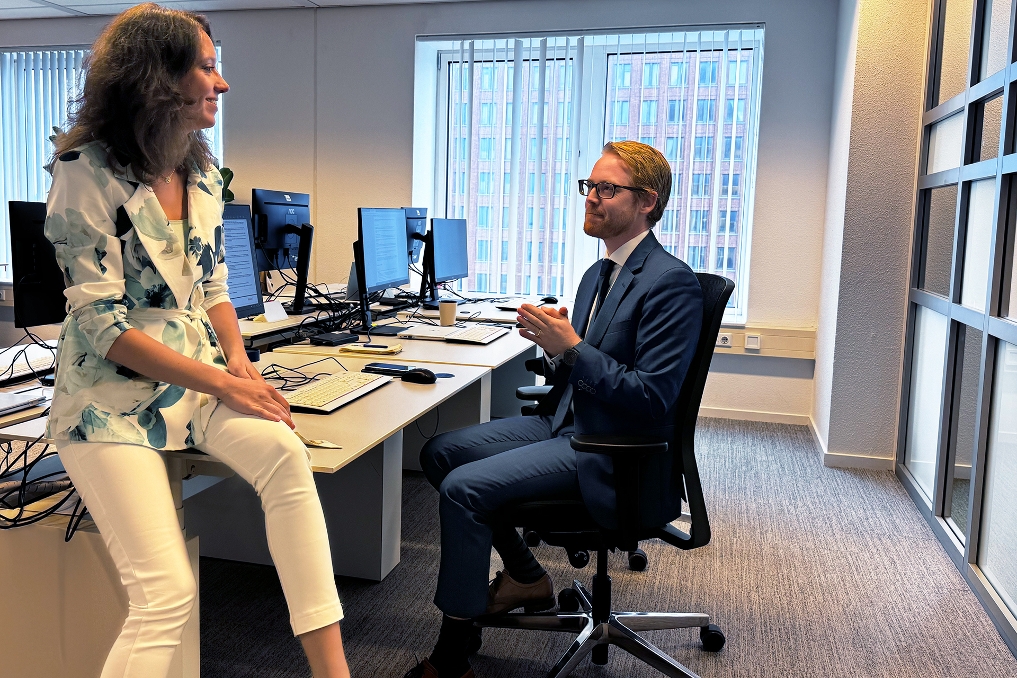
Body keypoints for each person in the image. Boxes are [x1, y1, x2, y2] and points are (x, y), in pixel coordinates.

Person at [44, 5, 350, 677]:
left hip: (198, 376)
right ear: (157, 78)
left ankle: (334, 672)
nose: (222, 83)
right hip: (107, 396)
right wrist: (222, 381)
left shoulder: (203, 171)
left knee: (284, 457)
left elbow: (212, 285)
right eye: (208, 67)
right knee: (166, 595)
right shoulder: (83, 171)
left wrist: (238, 360)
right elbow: (103, 328)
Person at [406, 141, 704, 678]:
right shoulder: (598, 273)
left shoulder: (670, 283)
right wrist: (552, 346)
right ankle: (525, 577)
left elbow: (651, 398)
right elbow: (582, 369)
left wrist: (572, 347)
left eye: (606, 189)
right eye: (588, 186)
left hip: (612, 449)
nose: (591, 198)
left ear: (647, 203)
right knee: (440, 453)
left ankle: (452, 653)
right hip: (565, 422)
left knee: (463, 489)